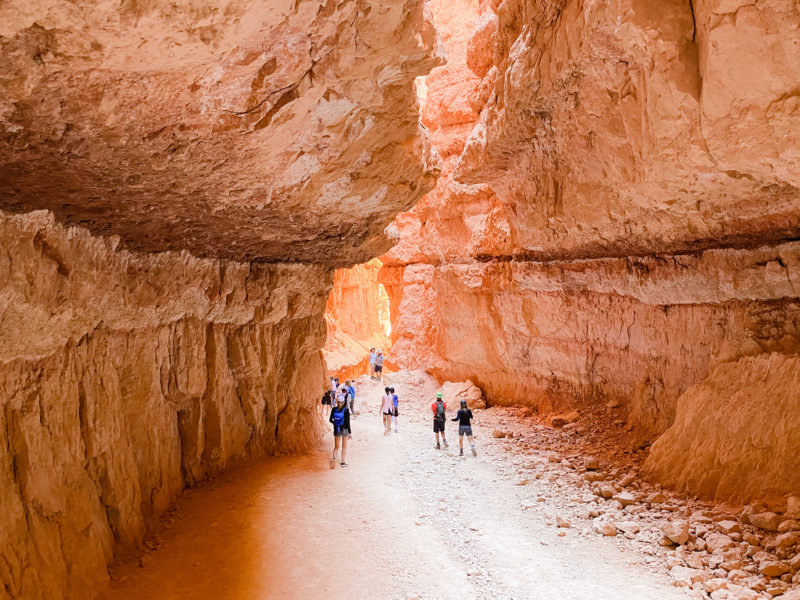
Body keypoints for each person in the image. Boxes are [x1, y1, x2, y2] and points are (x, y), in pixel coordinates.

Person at [329, 394, 351, 468]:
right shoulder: (346, 410)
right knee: (344, 446)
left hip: (336, 429)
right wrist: (350, 432)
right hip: (344, 430)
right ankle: (342, 462)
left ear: (337, 401)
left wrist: (335, 423)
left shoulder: (334, 409)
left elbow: (330, 420)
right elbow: (348, 422)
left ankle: (333, 461)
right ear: (344, 401)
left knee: (336, 446)